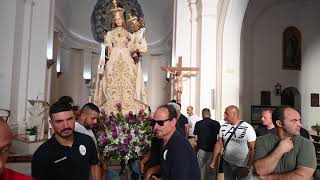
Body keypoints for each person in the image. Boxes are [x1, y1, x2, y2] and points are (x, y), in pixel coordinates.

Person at [94, 1, 147, 115]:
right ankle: (110, 108)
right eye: (116, 19)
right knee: (110, 76)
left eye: (120, 19)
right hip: (114, 56)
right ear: (114, 21)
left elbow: (133, 44)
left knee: (130, 76)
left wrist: (140, 35)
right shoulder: (109, 34)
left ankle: (130, 108)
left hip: (126, 54)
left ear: (123, 20)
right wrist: (107, 49)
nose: (118, 21)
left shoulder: (128, 33)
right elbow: (108, 46)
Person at [32, 101, 101, 180]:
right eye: (59, 121)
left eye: (69, 119)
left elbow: (94, 165)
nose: (66, 126)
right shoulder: (42, 154)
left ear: (75, 118)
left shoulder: (87, 141)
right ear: (51, 123)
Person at [253, 106, 316, 179]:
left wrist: (269, 178)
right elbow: (260, 170)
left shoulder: (306, 144)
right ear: (279, 123)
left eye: (299, 120)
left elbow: (302, 176)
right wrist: (280, 150)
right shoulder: (262, 140)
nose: (300, 125)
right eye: (294, 120)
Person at [152, 104, 200, 180]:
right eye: (154, 122)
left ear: (173, 122)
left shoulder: (179, 147)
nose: (155, 127)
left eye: (160, 123)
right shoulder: (165, 141)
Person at [210, 105, 256, 180]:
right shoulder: (223, 127)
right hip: (227, 163)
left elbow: (252, 149)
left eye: (226, 113)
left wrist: (248, 167)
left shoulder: (248, 128)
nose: (224, 116)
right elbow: (219, 143)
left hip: (242, 165)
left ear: (234, 114)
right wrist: (213, 161)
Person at [194, 108, 220, 180]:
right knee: (211, 171)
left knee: (200, 170)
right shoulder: (216, 123)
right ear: (210, 114)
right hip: (213, 151)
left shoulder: (198, 124)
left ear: (202, 115)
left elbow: (196, 138)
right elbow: (219, 139)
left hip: (201, 150)